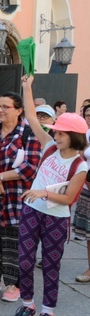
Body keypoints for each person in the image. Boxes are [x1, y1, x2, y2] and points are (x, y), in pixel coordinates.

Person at [10, 76, 88, 316]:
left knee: (52, 265)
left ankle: (48, 311)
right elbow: (32, 118)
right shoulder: (49, 148)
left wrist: (42, 192)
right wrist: (27, 87)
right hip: (32, 212)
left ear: (75, 137)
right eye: (55, 130)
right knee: (24, 261)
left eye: (61, 132)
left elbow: (68, 199)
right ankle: (28, 305)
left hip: (55, 217)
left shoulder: (80, 165)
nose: (55, 133)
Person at [0, 92, 41, 303]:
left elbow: (30, 166)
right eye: (0, 106)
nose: (1, 110)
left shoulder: (28, 133)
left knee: (15, 240)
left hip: (16, 197)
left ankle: (14, 284)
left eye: (7, 107)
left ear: (19, 110)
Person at [72, 104, 90, 283]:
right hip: (87, 188)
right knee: (89, 233)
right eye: (87, 114)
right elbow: (82, 159)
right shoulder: (86, 135)